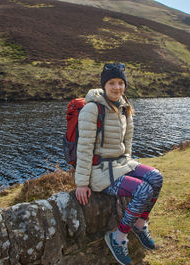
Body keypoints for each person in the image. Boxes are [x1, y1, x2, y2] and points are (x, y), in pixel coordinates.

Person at [74, 62, 163, 265]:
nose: (117, 87)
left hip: (121, 163)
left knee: (156, 177)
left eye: (121, 83)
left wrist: (131, 164)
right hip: (100, 171)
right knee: (143, 191)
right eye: (112, 83)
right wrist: (81, 183)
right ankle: (118, 237)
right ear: (104, 85)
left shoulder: (125, 107)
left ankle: (140, 224)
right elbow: (84, 147)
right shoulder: (91, 109)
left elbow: (127, 142)